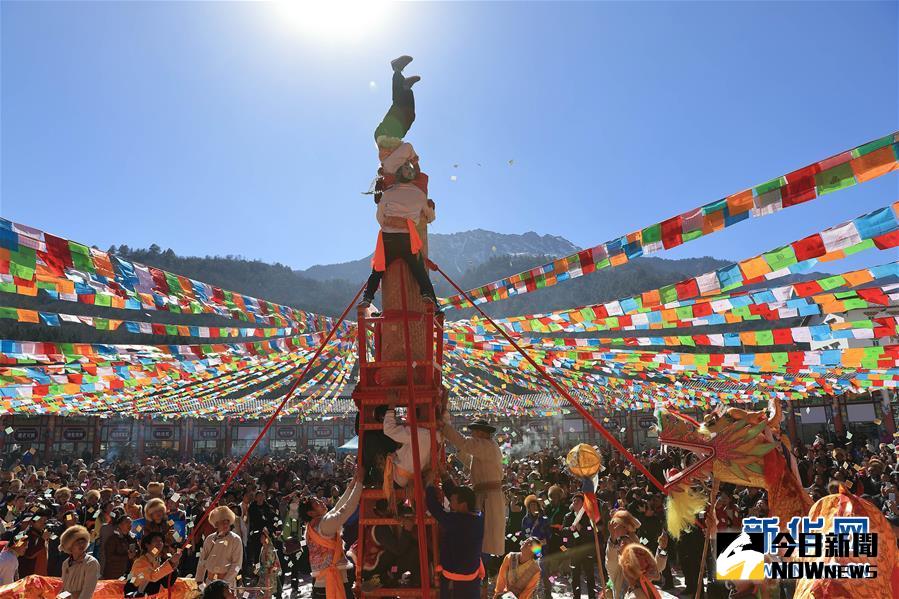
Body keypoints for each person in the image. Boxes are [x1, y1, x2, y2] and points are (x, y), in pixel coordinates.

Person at [359, 56, 439, 312]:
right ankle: (401, 80)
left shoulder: (397, 167)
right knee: (408, 113)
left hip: (385, 137)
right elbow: (426, 214)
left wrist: (416, 165)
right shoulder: (400, 180)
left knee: (403, 110)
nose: (410, 166)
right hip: (386, 137)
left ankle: (399, 77)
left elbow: (381, 215)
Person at [441, 417, 506, 558]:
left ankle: (483, 569)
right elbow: (472, 462)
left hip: (488, 498)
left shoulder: (487, 445)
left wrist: (444, 428)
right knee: (483, 537)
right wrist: (459, 452)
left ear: (482, 434)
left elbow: (465, 443)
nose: (472, 436)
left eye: (474, 433)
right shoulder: (487, 447)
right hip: (486, 496)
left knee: (484, 537)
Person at [299, 472, 363, 599]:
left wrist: (352, 485)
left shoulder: (312, 526)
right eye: (316, 503)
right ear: (311, 513)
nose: (321, 501)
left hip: (321, 585)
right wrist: (360, 483)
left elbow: (338, 507)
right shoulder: (325, 524)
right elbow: (347, 508)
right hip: (331, 583)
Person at [425, 477, 485, 599]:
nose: (450, 502)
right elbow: (458, 496)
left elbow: (434, 508)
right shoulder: (478, 517)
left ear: (463, 504)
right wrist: (444, 476)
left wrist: (429, 485)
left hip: (455, 580)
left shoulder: (456, 521)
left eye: (452, 500)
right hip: (472, 578)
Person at [383, 405, 440, 506]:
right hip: (420, 480)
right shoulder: (439, 435)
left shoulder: (417, 432)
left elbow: (388, 429)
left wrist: (391, 407)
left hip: (398, 479)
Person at [605, 511, 667, 599]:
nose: (623, 543)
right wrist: (612, 538)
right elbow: (610, 560)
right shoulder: (617, 568)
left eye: (627, 542)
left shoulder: (641, 559)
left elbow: (658, 567)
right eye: (620, 542)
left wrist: (662, 548)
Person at [196, 505, 243, 588]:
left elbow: (237, 564)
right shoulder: (209, 539)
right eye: (222, 522)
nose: (225, 524)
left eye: (227, 521)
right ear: (216, 524)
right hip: (210, 582)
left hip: (227, 584)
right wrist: (199, 581)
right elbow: (202, 560)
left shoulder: (235, 539)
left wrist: (224, 583)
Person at [125, 531, 182, 597]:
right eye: (156, 540)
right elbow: (152, 576)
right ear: (147, 545)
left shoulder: (158, 561)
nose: (159, 543)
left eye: (161, 541)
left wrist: (174, 568)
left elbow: (166, 584)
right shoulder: (140, 562)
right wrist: (170, 562)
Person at [564, 493, 597, 599]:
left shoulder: (588, 516)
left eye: (577, 501)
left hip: (586, 549)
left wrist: (582, 528)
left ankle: (592, 596)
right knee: (575, 575)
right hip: (574, 549)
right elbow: (563, 531)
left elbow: (593, 531)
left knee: (589, 574)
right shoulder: (568, 516)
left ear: (583, 504)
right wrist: (570, 529)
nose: (575, 503)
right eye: (573, 501)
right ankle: (576, 596)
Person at [59, 524, 100, 599]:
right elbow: (64, 587)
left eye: (83, 542)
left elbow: (87, 592)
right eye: (78, 543)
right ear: (70, 546)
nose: (81, 545)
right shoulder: (66, 563)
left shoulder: (91, 563)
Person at [101, 513, 134, 580]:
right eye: (127, 522)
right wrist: (127, 556)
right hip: (113, 575)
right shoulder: (112, 539)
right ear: (120, 525)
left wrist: (135, 553)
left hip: (128, 574)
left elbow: (137, 551)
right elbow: (109, 557)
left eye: (130, 523)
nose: (129, 525)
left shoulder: (132, 538)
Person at [258, 527, 282, 599]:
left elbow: (269, 563)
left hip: (269, 574)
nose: (261, 539)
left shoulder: (270, 548)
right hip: (264, 574)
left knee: (267, 595)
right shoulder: (263, 547)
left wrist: (260, 569)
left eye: (262, 537)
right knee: (262, 595)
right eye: (261, 537)